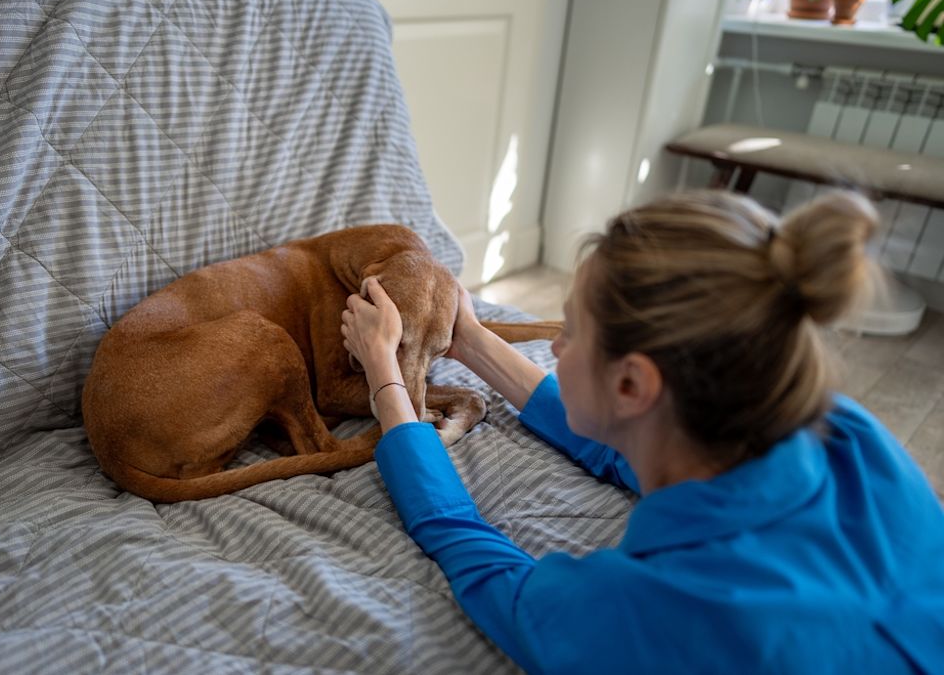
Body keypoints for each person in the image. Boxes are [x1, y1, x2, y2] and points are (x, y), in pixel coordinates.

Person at [340, 189, 944, 675]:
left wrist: (385, 376)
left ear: (632, 386)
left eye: (570, 333)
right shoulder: (847, 430)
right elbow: (622, 444)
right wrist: (470, 339)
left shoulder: (670, 609)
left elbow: (478, 557)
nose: (553, 346)